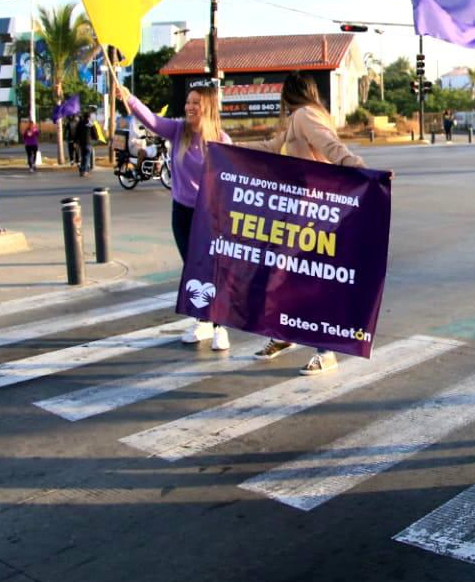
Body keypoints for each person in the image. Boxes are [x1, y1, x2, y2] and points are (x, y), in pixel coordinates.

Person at [242, 72, 368, 375]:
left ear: (290, 94)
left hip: (315, 215)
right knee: (282, 276)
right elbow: (273, 147)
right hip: (296, 214)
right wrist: (227, 148)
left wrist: (360, 169)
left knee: (310, 283)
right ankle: (284, 334)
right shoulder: (298, 119)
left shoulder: (305, 115)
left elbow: (330, 147)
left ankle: (327, 352)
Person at [116, 79, 232, 350]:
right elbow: (152, 120)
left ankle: (220, 326)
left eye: (195, 103)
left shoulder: (221, 141)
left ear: (208, 107)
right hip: (181, 212)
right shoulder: (179, 130)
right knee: (192, 268)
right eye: (188, 102)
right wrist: (130, 98)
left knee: (211, 269)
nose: (189, 107)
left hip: (209, 216)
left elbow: (229, 182)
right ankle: (201, 321)